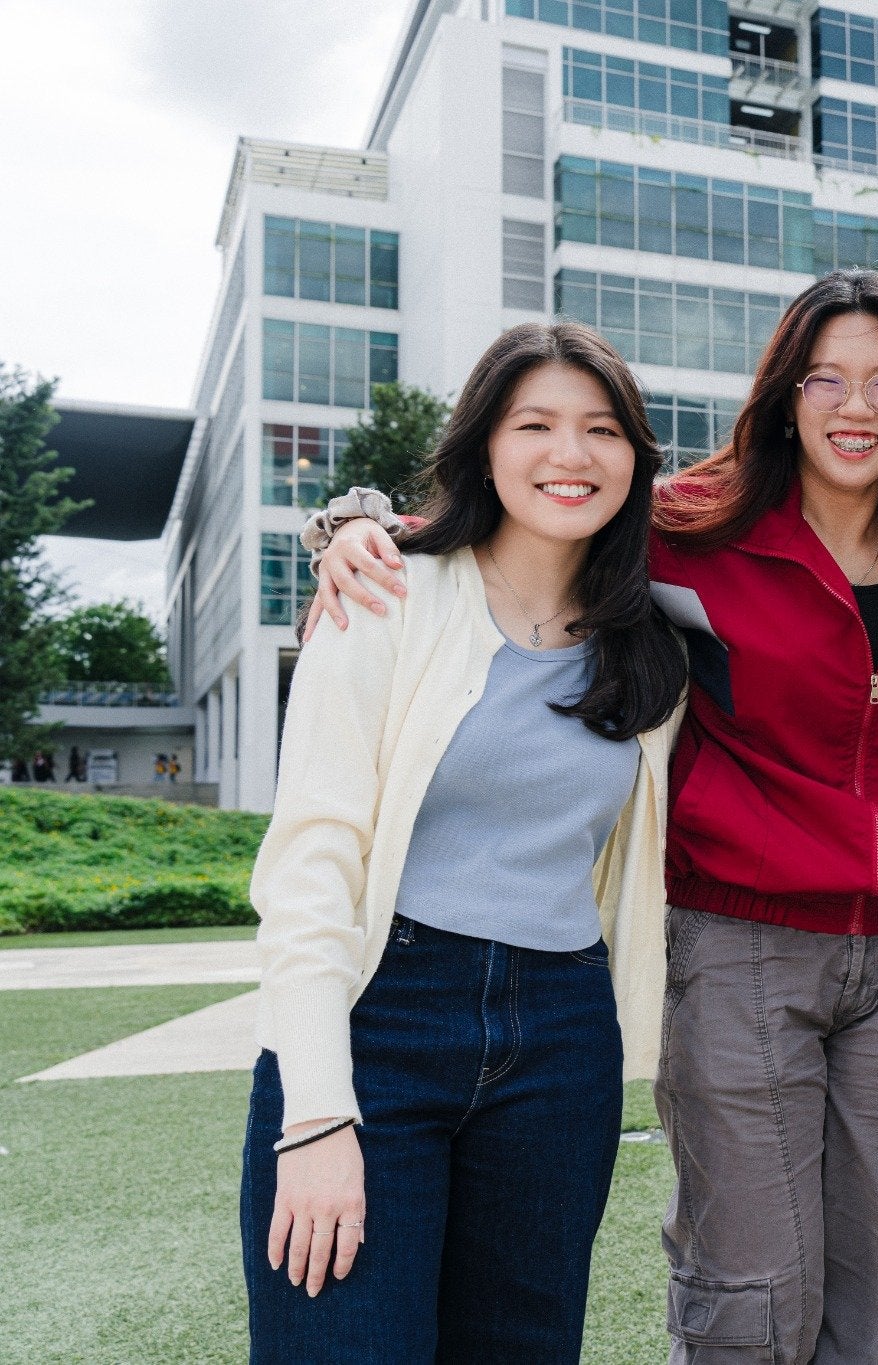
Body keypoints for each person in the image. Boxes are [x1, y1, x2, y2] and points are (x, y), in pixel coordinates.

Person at [306, 270, 878, 1365]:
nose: (855, 407)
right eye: (825, 378)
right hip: (742, 945)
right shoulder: (690, 528)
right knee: (756, 1295)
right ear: (782, 394)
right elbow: (510, 523)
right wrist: (352, 525)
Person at [243, 321, 687, 1362]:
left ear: (635, 458)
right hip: (378, 1018)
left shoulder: (654, 640)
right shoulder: (386, 591)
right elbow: (310, 866)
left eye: (601, 430)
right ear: (484, 444)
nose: (569, 456)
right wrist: (315, 1116)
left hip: (562, 1036)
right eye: (534, 424)